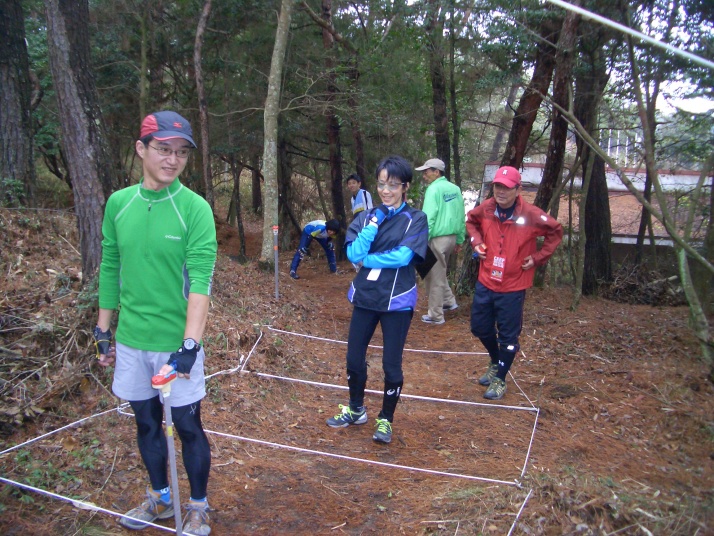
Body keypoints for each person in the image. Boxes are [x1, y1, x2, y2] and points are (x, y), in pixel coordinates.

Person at [93, 111, 217, 535]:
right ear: (141, 149)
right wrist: (103, 329)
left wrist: (189, 346)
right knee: (145, 423)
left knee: (187, 426)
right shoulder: (119, 203)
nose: (172, 159)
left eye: (181, 152)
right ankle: (161, 498)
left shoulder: (194, 209)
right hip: (131, 339)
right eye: (163, 149)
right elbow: (111, 266)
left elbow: (200, 281)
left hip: (175, 342)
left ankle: (197, 506)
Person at [326, 155, 428, 444]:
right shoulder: (366, 216)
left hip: (397, 299)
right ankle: (356, 409)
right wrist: (373, 223)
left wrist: (368, 260)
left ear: (405, 186)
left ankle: (386, 419)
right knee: (353, 358)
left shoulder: (416, 218)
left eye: (393, 185)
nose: (386, 190)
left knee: (391, 364)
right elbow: (353, 253)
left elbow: (404, 256)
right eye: (382, 184)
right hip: (366, 296)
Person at [465, 166, 563, 400]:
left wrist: (538, 258)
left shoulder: (530, 214)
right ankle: (495, 360)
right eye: (498, 186)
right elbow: (471, 221)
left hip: (513, 285)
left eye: (507, 188)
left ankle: (500, 379)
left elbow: (556, 231)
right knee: (479, 327)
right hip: (486, 279)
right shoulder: (486, 208)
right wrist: (476, 242)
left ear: (518, 189)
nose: (501, 192)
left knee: (508, 337)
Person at [415, 158, 466, 325]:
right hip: (451, 238)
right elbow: (461, 215)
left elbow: (428, 217)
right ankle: (448, 301)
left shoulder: (433, 189)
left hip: (437, 238)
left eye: (426, 172)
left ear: (436, 172)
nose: (424, 176)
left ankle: (436, 315)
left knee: (433, 276)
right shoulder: (455, 189)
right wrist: (460, 239)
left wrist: (421, 240)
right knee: (439, 271)